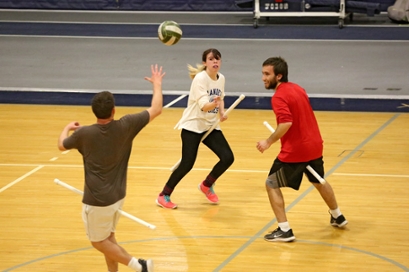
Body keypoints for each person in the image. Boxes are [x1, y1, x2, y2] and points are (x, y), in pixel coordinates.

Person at [57, 64, 165, 271]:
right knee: (109, 239)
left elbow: (61, 145)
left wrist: (66, 129)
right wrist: (157, 84)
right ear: (114, 110)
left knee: (98, 242)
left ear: (94, 111)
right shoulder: (127, 124)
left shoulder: (84, 134)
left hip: (97, 201)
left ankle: (139, 265)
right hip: (118, 196)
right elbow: (157, 109)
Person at [256, 57, 348, 242]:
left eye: (267, 74)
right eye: (263, 74)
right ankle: (337, 216)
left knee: (271, 184)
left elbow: (286, 123)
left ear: (279, 76)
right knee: (318, 179)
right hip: (314, 145)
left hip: (296, 150)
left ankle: (284, 230)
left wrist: (268, 141)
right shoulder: (299, 88)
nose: (263, 78)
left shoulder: (279, 96)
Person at [156, 48, 234, 209]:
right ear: (205, 63)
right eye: (211, 59)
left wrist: (221, 112)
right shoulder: (200, 79)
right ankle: (164, 195)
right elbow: (204, 106)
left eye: (217, 59)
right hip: (193, 125)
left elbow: (221, 98)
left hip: (209, 126)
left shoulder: (221, 78)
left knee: (227, 157)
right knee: (187, 164)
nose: (215, 62)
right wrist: (214, 104)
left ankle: (206, 185)